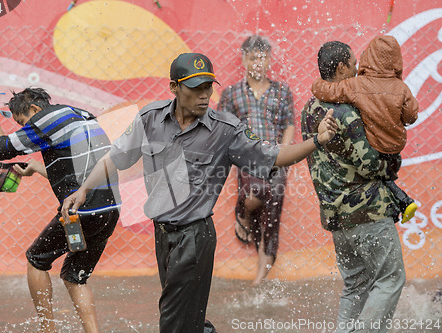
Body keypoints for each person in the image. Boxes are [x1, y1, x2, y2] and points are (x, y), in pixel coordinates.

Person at [61, 52, 338, 333]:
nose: (204, 95)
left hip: (194, 238)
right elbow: (114, 158)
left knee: (173, 320)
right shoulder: (149, 119)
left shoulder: (225, 130)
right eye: (195, 88)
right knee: (188, 318)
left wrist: (318, 140)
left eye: (208, 87)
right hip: (163, 235)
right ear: (174, 87)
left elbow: (274, 155)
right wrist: (84, 189)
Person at [0, 88, 121, 333]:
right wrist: (36, 167)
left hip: (80, 210)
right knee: (75, 276)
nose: (25, 128)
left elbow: (1, 149)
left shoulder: (46, 119)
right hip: (109, 209)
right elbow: (83, 174)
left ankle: (47, 329)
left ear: (34, 109)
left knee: (36, 259)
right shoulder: (80, 116)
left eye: (23, 122)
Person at [301, 41, 406, 332]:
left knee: (355, 285)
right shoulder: (347, 111)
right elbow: (371, 165)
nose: (358, 67)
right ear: (340, 68)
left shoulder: (309, 108)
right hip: (367, 212)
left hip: (335, 217)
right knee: (389, 280)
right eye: (353, 63)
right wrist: (393, 160)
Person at [311, 35, 418, 223]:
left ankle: (398, 205)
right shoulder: (402, 88)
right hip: (395, 148)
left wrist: (316, 84)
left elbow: (330, 91)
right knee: (387, 176)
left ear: (368, 58)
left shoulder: (357, 85)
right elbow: (411, 115)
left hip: (374, 146)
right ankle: (402, 202)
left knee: (377, 174)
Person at [218, 35, 295, 285]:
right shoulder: (231, 94)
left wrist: (282, 154)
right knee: (253, 196)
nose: (258, 63)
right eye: (252, 58)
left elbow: (289, 125)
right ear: (244, 59)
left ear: (269, 59)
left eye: (262, 58)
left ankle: (259, 279)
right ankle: (242, 212)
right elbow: (224, 129)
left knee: (272, 218)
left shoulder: (282, 92)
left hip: (277, 159)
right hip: (248, 159)